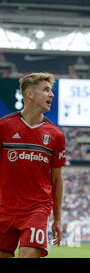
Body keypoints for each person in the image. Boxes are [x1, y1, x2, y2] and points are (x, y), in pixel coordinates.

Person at [0, 72, 65, 258]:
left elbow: (57, 180)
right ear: (29, 94)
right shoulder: (4, 127)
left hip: (36, 210)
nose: (51, 95)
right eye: (46, 90)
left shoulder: (56, 135)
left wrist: (58, 219)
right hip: (4, 209)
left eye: (51, 91)